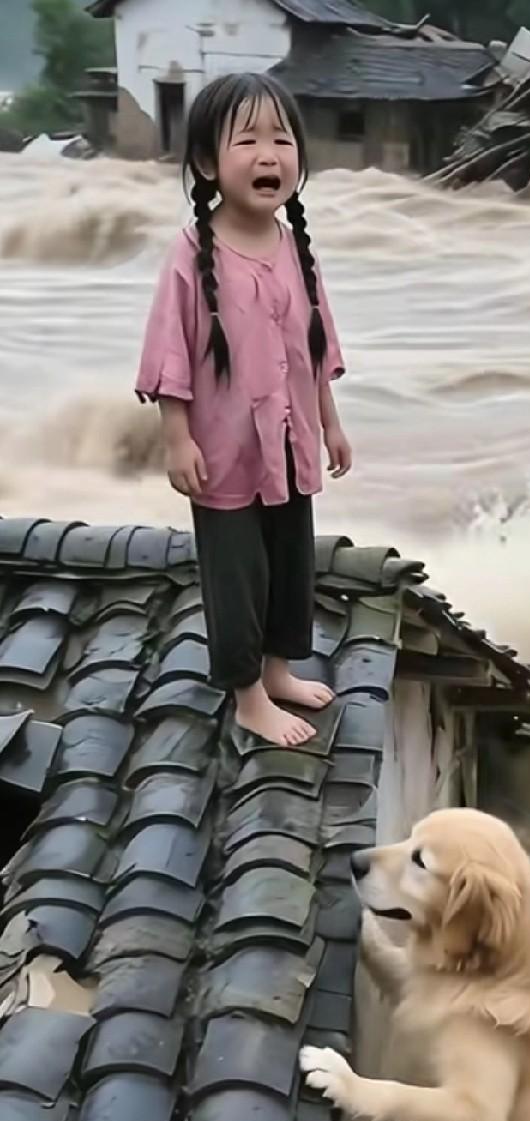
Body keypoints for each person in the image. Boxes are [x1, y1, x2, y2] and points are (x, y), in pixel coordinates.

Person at [136, 72, 352, 746]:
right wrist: (177, 439)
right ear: (207, 163)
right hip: (225, 452)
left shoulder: (297, 249)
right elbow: (169, 354)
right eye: (249, 140)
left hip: (289, 444)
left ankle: (279, 668)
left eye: (283, 140)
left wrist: (333, 423)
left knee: (290, 563)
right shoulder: (191, 255)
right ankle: (248, 694)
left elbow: (314, 347)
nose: (270, 155)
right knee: (236, 574)